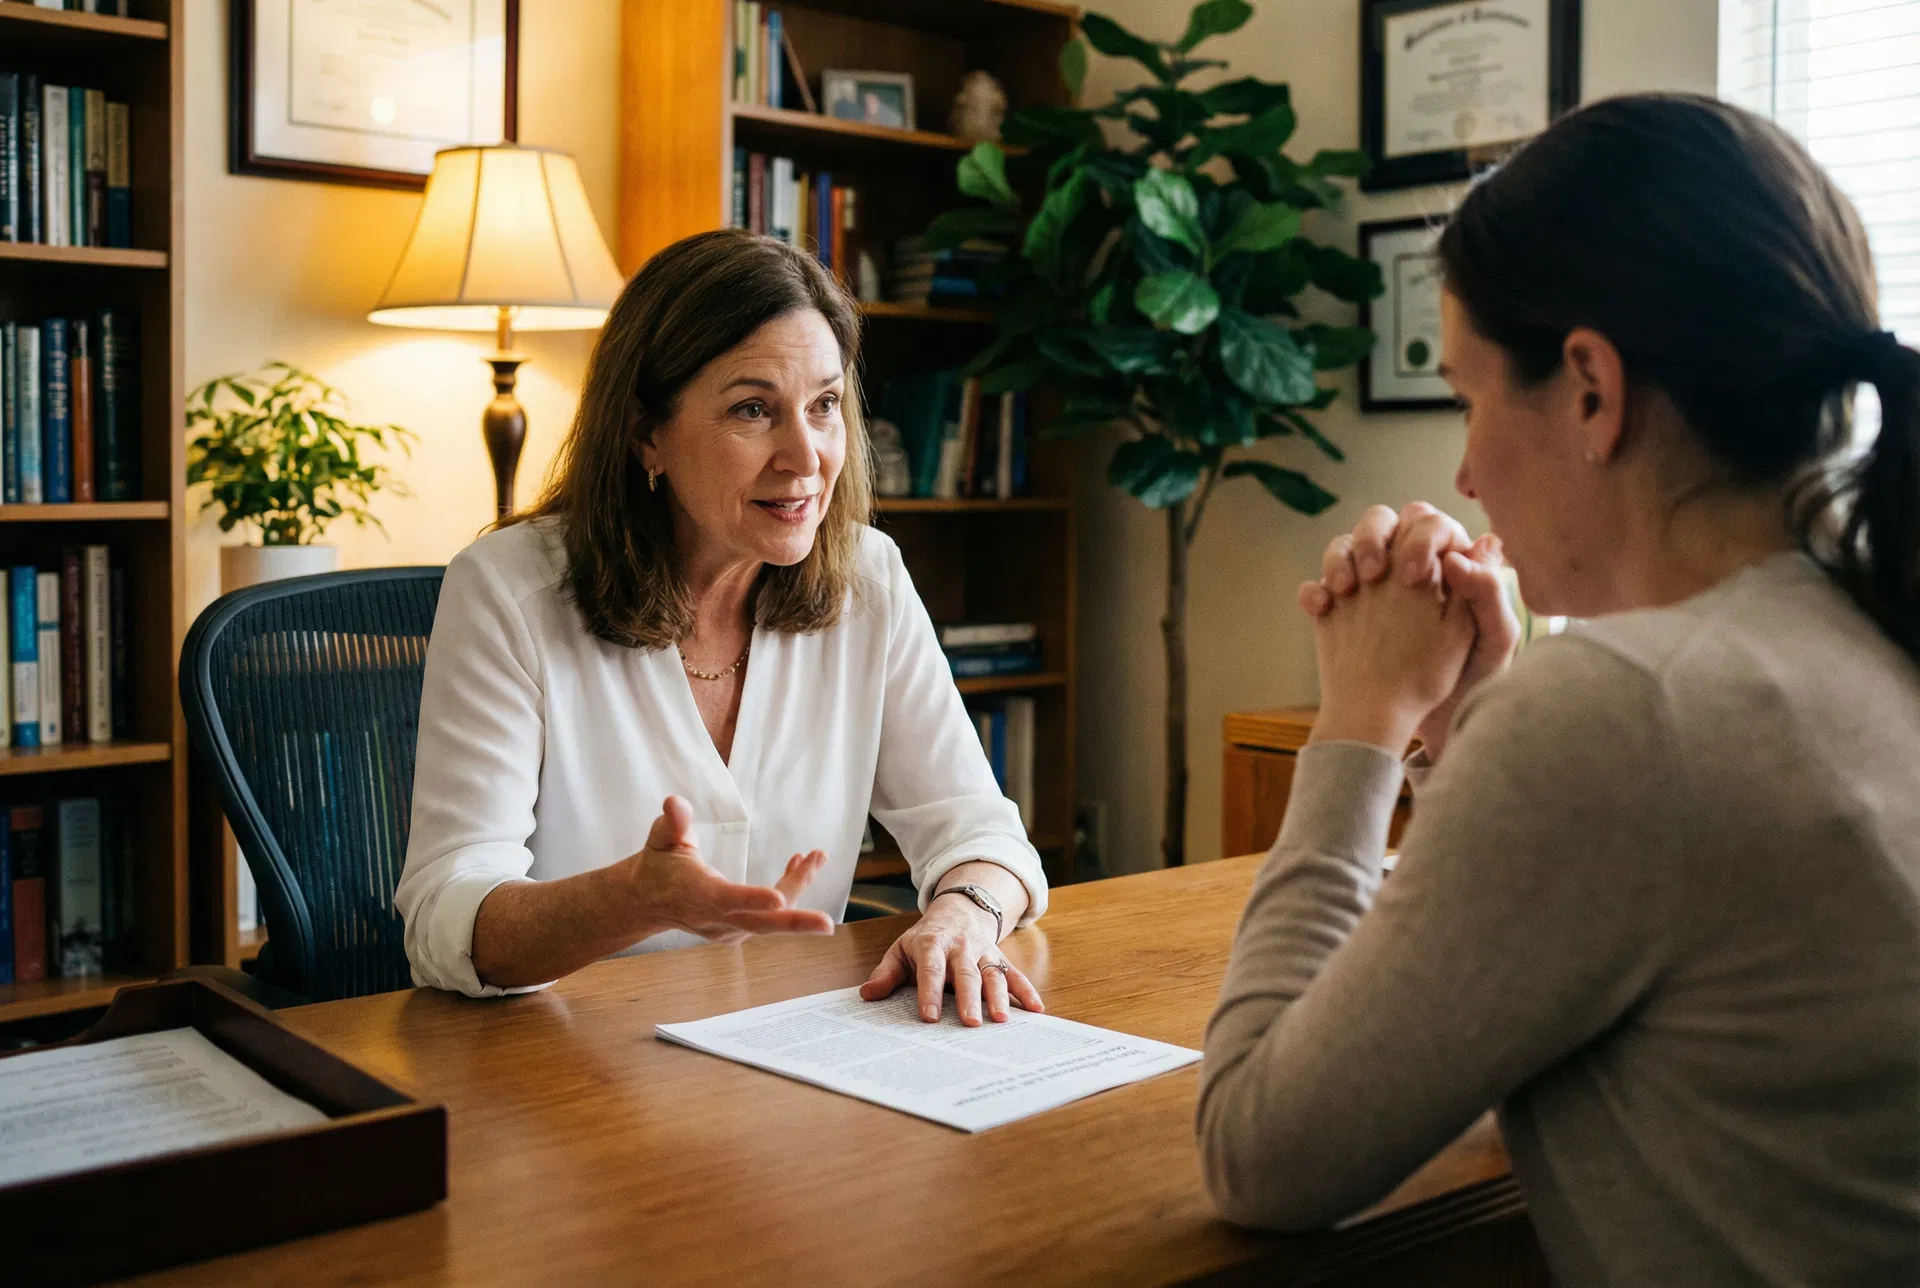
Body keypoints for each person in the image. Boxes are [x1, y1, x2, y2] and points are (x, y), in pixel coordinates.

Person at [1196, 93, 1920, 1286]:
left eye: (1473, 397)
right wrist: (1477, 717)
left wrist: (1360, 723)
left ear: (1591, 387)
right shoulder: (1866, 618)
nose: (1468, 470)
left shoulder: (1631, 714)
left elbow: (1258, 1154)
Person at [395, 229, 1047, 1027]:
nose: (805, 456)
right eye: (753, 410)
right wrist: (631, 899)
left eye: (825, 405)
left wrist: (960, 917)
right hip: (567, 1071)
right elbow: (445, 920)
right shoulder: (506, 589)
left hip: (796, 1061)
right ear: (646, 433)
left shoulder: (868, 577)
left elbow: (982, 833)